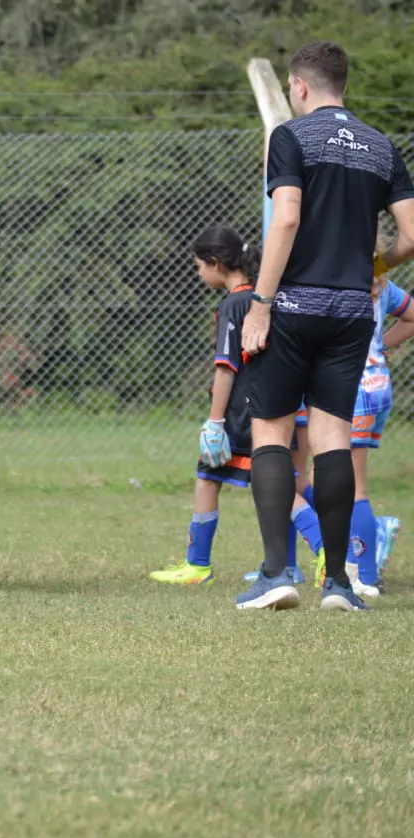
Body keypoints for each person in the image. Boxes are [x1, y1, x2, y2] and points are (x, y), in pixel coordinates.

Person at [238, 41, 414, 612]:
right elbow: (412, 234)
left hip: (291, 304)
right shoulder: (381, 146)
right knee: (333, 440)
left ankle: (275, 574)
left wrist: (261, 301)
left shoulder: (290, 137)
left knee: (272, 432)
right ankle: (338, 582)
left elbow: (286, 215)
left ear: (300, 86)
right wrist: (376, 269)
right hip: (349, 311)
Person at [151, 227, 320, 585]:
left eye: (199, 266)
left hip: (244, 413)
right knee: (215, 477)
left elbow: (226, 367)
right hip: (277, 404)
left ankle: (327, 555)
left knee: (265, 485)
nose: (198, 274)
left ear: (216, 263)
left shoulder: (234, 305)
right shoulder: (265, 298)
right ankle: (319, 558)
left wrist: (215, 422)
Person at [345, 250, 414, 597]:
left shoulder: (335, 277)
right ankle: (356, 550)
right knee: (335, 476)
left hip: (352, 388)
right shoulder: (380, 282)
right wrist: (380, 347)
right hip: (378, 385)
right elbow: (412, 315)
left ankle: (366, 574)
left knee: (351, 484)